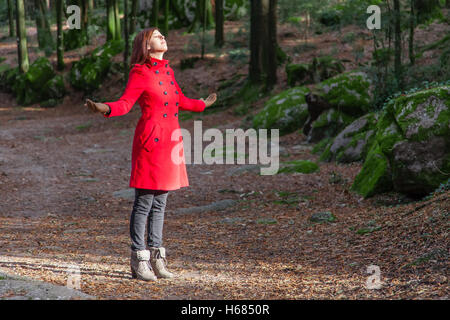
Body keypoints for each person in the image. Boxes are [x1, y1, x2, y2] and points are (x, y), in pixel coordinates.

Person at [84, 28, 217, 281]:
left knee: (161, 203)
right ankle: (139, 259)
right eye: (157, 36)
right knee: (144, 202)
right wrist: (104, 108)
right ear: (146, 45)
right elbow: (125, 104)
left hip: (170, 142)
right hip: (149, 142)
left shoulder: (168, 71)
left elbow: (180, 99)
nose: (163, 37)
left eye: (162, 34)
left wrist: (202, 104)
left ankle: (157, 258)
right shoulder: (139, 72)